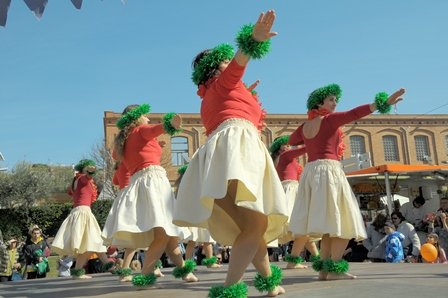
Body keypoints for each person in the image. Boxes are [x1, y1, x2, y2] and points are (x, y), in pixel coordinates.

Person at [173, 10, 288, 297]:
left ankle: (270, 283)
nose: (229, 65)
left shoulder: (213, 94)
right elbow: (238, 65)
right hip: (235, 150)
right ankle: (230, 287)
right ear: (216, 67)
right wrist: (252, 40)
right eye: (224, 62)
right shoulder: (224, 81)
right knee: (256, 223)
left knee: (251, 226)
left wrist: (248, 95)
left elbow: (237, 104)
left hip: (218, 158)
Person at [288, 84, 405, 280]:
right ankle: (335, 269)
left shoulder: (304, 127)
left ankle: (324, 270)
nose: (335, 103)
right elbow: (354, 113)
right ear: (320, 102)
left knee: (327, 226)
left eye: (336, 100)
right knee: (343, 221)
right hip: (329, 171)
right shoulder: (330, 120)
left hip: (311, 172)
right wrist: (383, 103)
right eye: (331, 99)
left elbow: (292, 140)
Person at [102, 104, 198, 289]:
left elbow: (122, 156)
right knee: (163, 234)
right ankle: (145, 276)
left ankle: (185, 271)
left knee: (169, 235)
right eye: (145, 116)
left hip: (140, 183)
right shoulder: (140, 130)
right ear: (137, 118)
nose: (147, 118)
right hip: (153, 182)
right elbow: (156, 128)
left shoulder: (124, 141)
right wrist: (170, 123)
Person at [51, 159, 110, 279]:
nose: (91, 168)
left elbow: (71, 190)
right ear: (83, 169)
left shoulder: (77, 180)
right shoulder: (82, 178)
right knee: (89, 243)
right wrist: (91, 170)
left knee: (95, 242)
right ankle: (78, 271)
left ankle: (111, 267)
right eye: (88, 167)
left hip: (80, 212)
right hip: (83, 213)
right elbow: (89, 175)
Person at [269, 135, 320, 269]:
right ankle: (294, 261)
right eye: (285, 144)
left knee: (303, 229)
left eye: (289, 144)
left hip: (290, 189)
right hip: (291, 190)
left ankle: (317, 258)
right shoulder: (286, 156)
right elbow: (305, 149)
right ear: (279, 147)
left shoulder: (281, 159)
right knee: (302, 227)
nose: (288, 146)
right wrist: (318, 139)